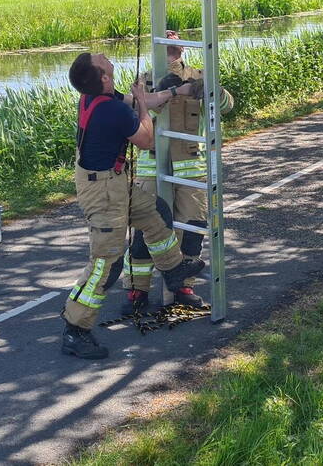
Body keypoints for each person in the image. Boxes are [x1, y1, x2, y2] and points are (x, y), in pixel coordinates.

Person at [62, 51, 206, 359]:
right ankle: (76, 330)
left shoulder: (99, 98)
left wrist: (170, 93)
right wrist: (142, 105)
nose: (102, 54)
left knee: (156, 214)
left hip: (113, 184)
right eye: (99, 59)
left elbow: (141, 102)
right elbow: (147, 139)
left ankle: (174, 270)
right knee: (105, 265)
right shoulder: (111, 110)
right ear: (103, 76)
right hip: (102, 192)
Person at [122, 31, 235, 315]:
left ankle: (183, 286)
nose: (170, 43)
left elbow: (226, 107)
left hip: (190, 167)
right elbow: (134, 114)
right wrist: (161, 93)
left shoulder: (198, 76)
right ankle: (138, 288)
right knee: (147, 231)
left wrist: (214, 90)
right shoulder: (142, 82)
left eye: (174, 39)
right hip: (152, 167)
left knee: (192, 228)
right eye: (164, 39)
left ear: (182, 48)